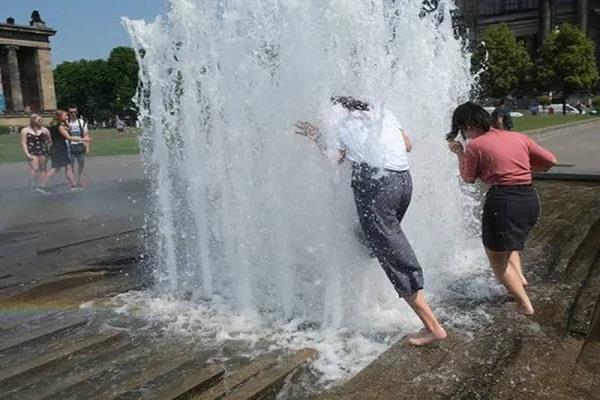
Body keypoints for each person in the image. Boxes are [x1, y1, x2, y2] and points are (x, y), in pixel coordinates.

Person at [296, 96, 447, 346]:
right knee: (367, 240)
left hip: (375, 186)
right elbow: (407, 144)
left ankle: (432, 327)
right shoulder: (380, 110)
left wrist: (318, 136)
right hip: (403, 181)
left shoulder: (335, 116)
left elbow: (335, 157)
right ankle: (372, 288)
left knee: (393, 254)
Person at [447, 102, 556, 316]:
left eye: (462, 128)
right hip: (529, 198)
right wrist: (522, 170)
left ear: (468, 124)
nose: (463, 133)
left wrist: (460, 153)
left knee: (496, 258)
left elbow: (468, 178)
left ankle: (524, 305)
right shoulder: (518, 137)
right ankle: (520, 280)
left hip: (503, 201)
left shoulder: (476, 145)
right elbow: (550, 160)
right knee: (509, 244)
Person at [40, 110, 90, 190]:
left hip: (59, 148)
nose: (67, 117)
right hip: (59, 149)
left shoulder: (55, 125)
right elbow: (68, 137)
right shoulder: (59, 126)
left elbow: (69, 128)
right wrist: (84, 139)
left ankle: (73, 185)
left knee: (68, 167)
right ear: (60, 117)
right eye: (65, 116)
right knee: (55, 169)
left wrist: (66, 122)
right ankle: (42, 186)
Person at [20, 114, 51, 194]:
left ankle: (42, 186)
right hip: (32, 151)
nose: (41, 122)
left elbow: (50, 141)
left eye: (41, 120)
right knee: (35, 168)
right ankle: (32, 186)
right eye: (38, 120)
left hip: (43, 151)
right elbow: (24, 143)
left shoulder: (45, 130)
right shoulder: (25, 130)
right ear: (33, 120)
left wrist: (48, 149)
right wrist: (27, 154)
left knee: (43, 168)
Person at [67, 106, 91, 189]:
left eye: (74, 112)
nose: (73, 114)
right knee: (70, 165)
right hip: (69, 146)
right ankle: (72, 181)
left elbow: (86, 135)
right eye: (71, 112)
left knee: (81, 163)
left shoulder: (81, 122)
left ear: (77, 113)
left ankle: (80, 179)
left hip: (80, 145)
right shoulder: (66, 122)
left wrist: (87, 147)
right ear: (68, 113)